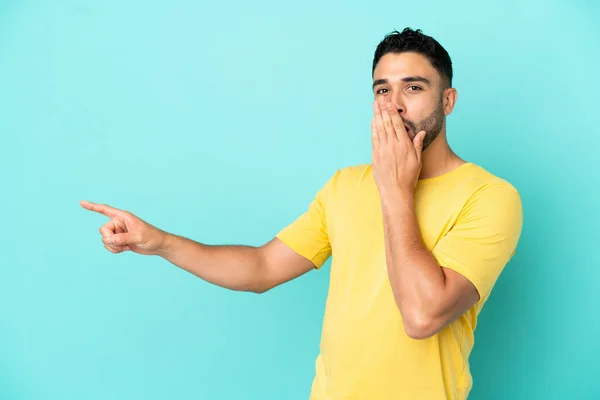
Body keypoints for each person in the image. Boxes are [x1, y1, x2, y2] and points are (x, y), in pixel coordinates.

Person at [81, 27, 523, 400]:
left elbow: (423, 316)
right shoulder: (345, 186)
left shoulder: (489, 197)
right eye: (382, 90)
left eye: (413, 87)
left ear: (448, 101)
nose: (396, 105)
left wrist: (394, 190)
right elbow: (260, 268)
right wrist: (157, 241)